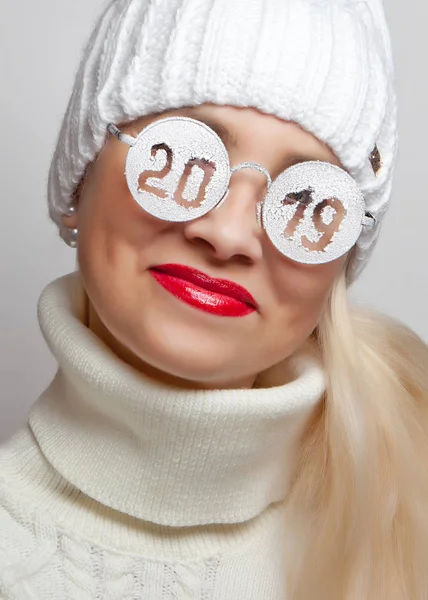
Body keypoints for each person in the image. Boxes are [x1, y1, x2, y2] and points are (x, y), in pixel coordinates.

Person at [1, 0, 427, 598]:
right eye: (180, 158)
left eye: (305, 200)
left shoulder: (407, 533)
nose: (226, 234)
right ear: (80, 178)